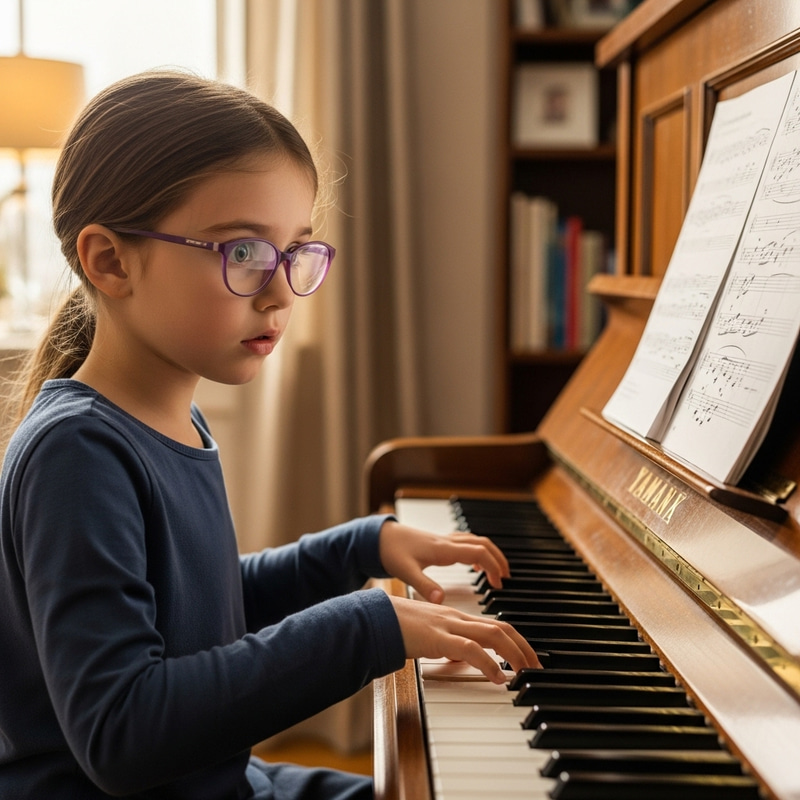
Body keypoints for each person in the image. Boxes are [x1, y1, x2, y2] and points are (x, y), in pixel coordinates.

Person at [0, 70, 540, 800]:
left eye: (295, 252)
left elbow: (201, 614)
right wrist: (363, 629)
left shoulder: (165, 418)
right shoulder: (77, 454)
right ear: (110, 260)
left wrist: (357, 548)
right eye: (244, 252)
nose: (282, 290)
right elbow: (122, 733)